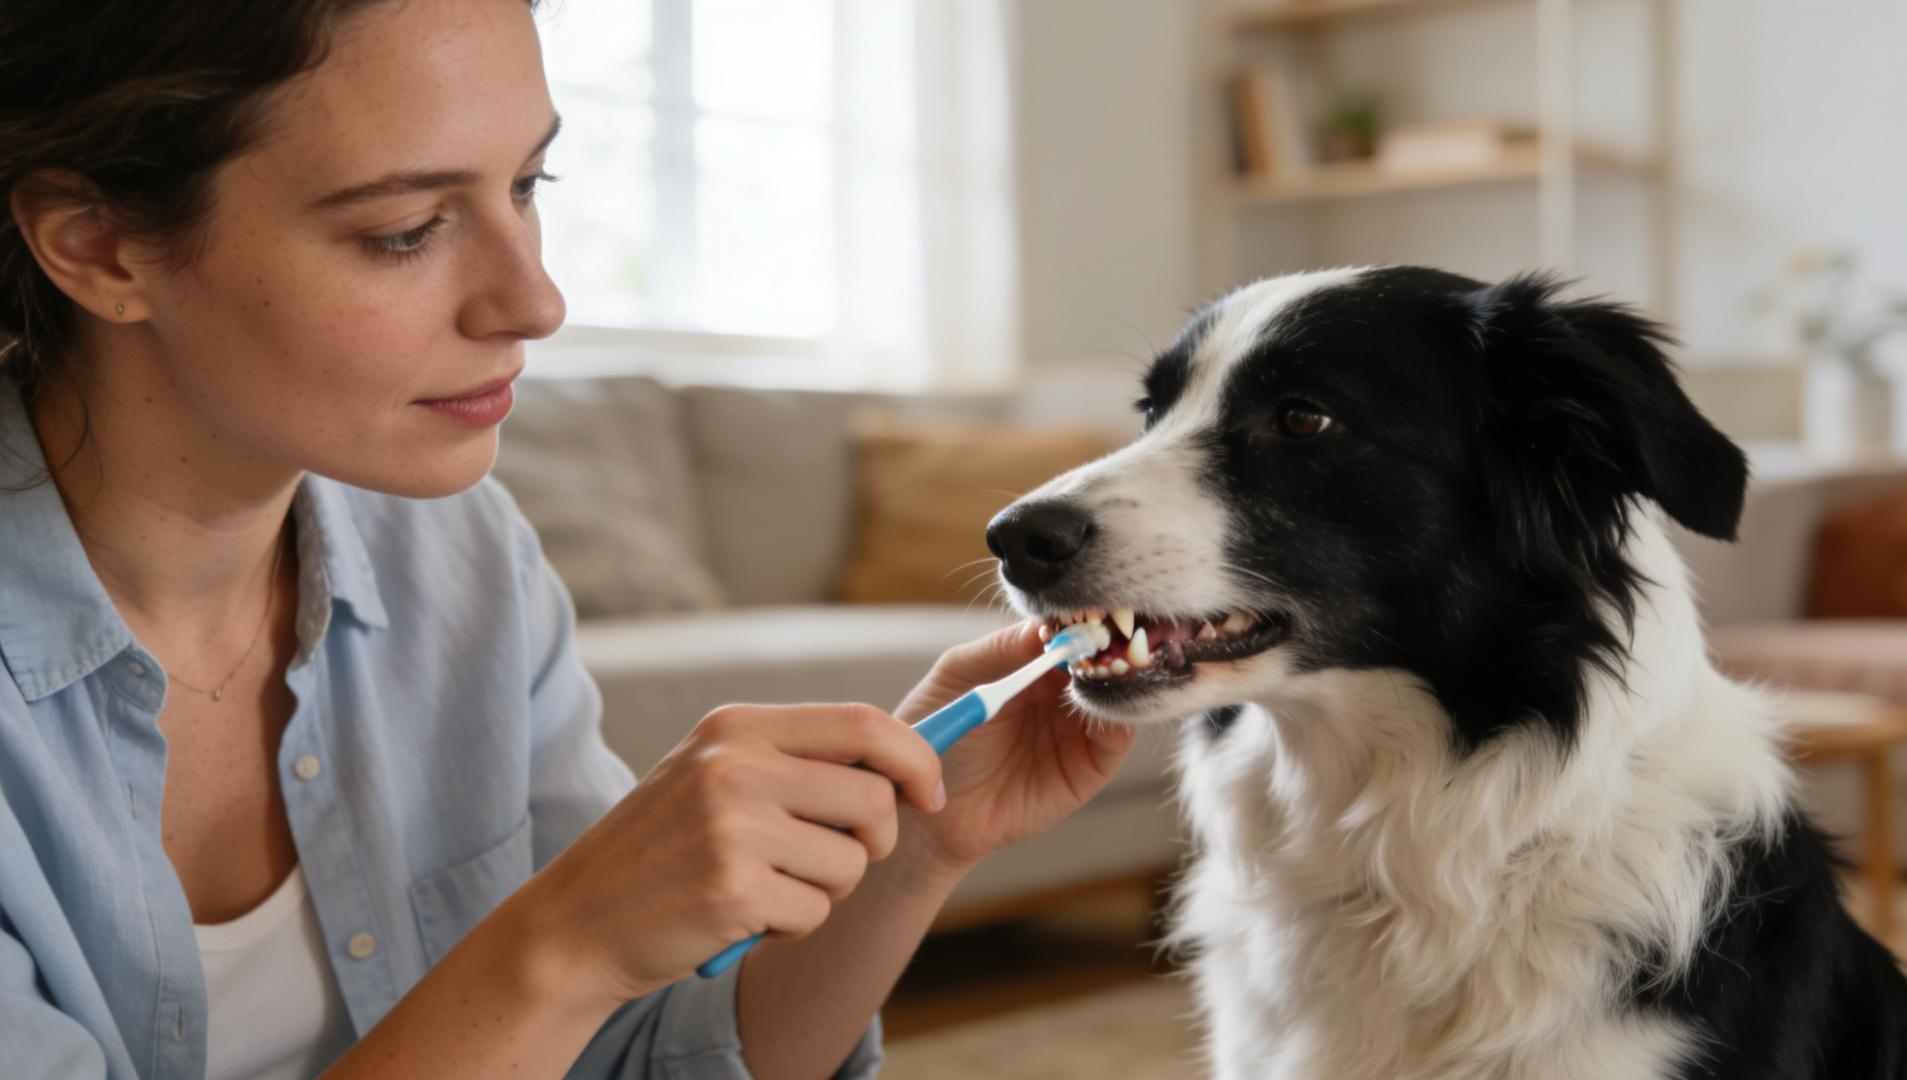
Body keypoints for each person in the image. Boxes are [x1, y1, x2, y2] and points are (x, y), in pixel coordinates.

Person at [0, 1, 1136, 1077]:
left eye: (529, 185)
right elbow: (567, 976)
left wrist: (916, 848)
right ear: (97, 246)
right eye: (404, 230)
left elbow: (638, 1058)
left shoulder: (457, 554)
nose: (536, 300)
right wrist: (566, 940)